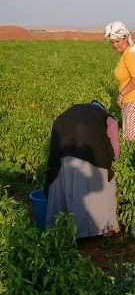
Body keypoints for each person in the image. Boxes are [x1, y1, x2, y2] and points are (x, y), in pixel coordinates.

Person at [44, 101, 121, 239]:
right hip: (88, 146)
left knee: (65, 179)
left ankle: (60, 227)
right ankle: (101, 227)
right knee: (102, 180)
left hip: (62, 145)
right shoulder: (108, 119)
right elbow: (115, 154)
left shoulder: (76, 110)